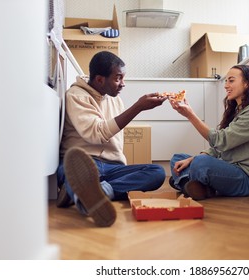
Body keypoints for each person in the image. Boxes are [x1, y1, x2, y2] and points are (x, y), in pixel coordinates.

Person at [56, 51, 168, 227]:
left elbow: (114, 141)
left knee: (157, 172)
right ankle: (85, 194)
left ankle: (92, 193)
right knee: (69, 171)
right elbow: (96, 133)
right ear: (100, 80)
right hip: (84, 161)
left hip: (112, 167)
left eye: (123, 78)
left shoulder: (116, 101)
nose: (123, 84)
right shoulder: (76, 96)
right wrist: (138, 107)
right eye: (118, 78)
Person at [168, 64, 249, 200]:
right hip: (228, 167)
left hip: (246, 179)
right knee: (178, 158)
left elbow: (221, 141)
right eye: (226, 81)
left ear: (247, 84)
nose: (226, 85)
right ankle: (195, 186)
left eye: (231, 80)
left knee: (201, 163)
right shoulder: (239, 111)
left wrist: (190, 115)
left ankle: (185, 183)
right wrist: (193, 159)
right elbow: (220, 148)